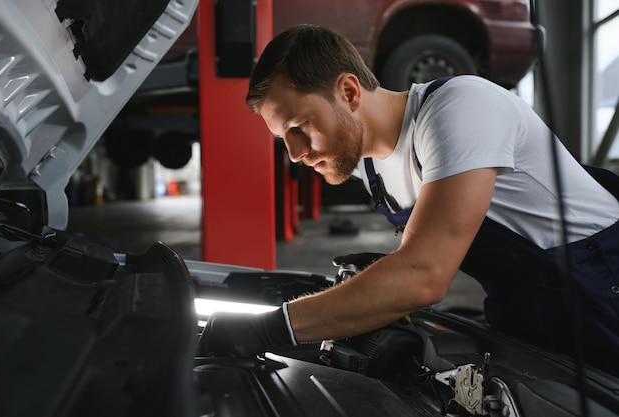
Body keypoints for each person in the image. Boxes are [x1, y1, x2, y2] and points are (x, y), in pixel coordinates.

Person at [198, 24, 619, 373]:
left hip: (602, 292)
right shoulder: (373, 169)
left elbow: (423, 276)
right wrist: (377, 279)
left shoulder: (460, 108)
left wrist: (273, 328)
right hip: (529, 314)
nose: (295, 153)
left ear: (348, 92)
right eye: (282, 139)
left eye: (299, 127)